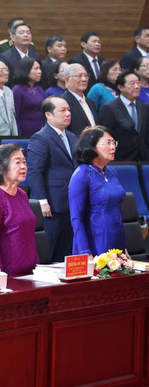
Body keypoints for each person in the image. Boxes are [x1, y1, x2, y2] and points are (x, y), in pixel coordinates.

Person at [27, 96, 77, 261]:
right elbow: (34, 171)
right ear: (48, 115)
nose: (67, 113)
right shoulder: (41, 137)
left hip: (71, 203)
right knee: (47, 250)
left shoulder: (72, 137)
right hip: (51, 204)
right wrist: (41, 200)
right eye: (62, 110)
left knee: (66, 252)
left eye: (68, 109)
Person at [0, 144, 38, 275]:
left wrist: (36, 265)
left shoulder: (22, 194)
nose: (23, 167)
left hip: (27, 270)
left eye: (24, 162)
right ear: (0, 168)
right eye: (17, 162)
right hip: (4, 272)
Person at [69, 126, 126, 256]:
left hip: (116, 239)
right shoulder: (82, 175)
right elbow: (76, 218)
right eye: (108, 143)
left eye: (114, 143)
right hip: (94, 241)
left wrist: (124, 247)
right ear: (92, 146)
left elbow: (117, 211)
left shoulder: (112, 172)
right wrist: (85, 252)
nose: (113, 147)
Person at [98, 71, 149, 161]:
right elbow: (105, 137)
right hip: (121, 160)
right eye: (132, 83)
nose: (137, 87)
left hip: (143, 159)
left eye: (138, 83)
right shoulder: (109, 108)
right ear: (120, 87)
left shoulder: (144, 106)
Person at [11, 57, 45, 136]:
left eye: (40, 69)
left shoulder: (39, 89)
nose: (39, 72)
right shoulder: (17, 90)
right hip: (25, 132)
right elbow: (15, 116)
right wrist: (18, 136)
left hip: (40, 130)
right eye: (36, 69)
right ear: (26, 70)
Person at [63, 63, 98, 136]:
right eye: (79, 76)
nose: (84, 79)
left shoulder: (90, 102)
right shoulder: (63, 102)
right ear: (67, 80)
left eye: (86, 76)